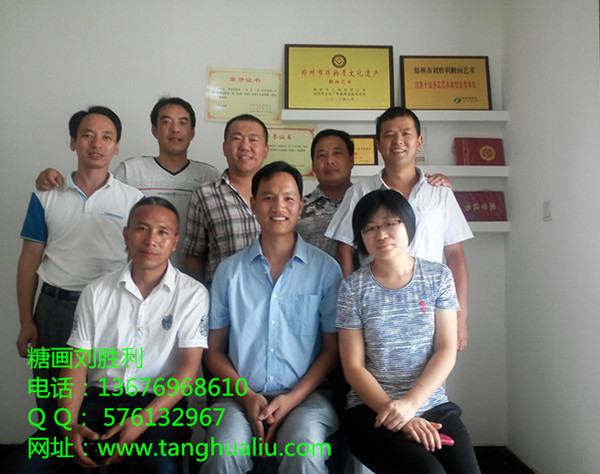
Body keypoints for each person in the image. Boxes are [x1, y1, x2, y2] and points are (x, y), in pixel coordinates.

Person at [203, 161, 342, 473]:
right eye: (268, 198)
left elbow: (332, 351)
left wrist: (291, 400)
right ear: (253, 204)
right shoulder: (229, 272)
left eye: (288, 198)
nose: (278, 207)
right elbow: (214, 351)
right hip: (238, 397)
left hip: (306, 397)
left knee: (305, 450)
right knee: (223, 450)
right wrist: (247, 397)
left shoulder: (326, 270)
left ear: (301, 206)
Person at [54, 197, 209, 473]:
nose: (151, 240)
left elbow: (187, 373)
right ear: (126, 234)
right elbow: (75, 366)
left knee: (159, 467)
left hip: (158, 408)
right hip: (97, 401)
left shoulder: (192, 294)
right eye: (141, 229)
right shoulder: (96, 292)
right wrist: (69, 425)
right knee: (26, 466)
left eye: (162, 232)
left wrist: (141, 421)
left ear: (175, 242)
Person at [337, 189, 480, 474]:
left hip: (431, 404)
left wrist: (410, 405)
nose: (381, 234)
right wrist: (398, 413)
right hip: (371, 409)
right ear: (361, 237)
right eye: (370, 228)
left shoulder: (439, 277)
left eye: (390, 223)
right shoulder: (352, 288)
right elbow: (353, 367)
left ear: (408, 225)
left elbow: (445, 349)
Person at [16, 106, 143, 421]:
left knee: (106, 401)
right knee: (51, 401)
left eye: (106, 137)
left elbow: (140, 262)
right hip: (55, 309)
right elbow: (29, 261)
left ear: (116, 147)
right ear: (73, 142)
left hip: (110, 308)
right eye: (87, 135)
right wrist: (26, 321)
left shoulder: (133, 200)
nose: (97, 143)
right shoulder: (45, 196)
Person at [326, 106, 473, 350]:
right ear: (378, 144)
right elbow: (344, 250)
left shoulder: (440, 193)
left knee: (435, 369)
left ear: (419, 141)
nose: (398, 141)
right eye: (389, 135)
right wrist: (352, 305)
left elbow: (455, 255)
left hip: (432, 309)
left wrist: (460, 315)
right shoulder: (361, 191)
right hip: (375, 309)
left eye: (406, 133)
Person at [34, 97, 219, 270]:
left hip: (192, 277)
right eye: (166, 122)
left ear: (192, 132)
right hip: (137, 277)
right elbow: (95, 194)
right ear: (154, 130)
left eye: (183, 123)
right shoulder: (130, 171)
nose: (175, 129)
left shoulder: (208, 175)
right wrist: (51, 178)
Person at [183, 114, 269, 284]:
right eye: (237, 138)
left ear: (265, 150)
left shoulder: (279, 196)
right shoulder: (204, 195)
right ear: (224, 147)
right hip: (223, 296)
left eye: (253, 140)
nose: (245, 146)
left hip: (272, 296)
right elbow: (194, 256)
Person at [296, 129, 355, 257]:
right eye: (322, 155)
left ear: (351, 160)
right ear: (313, 165)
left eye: (337, 153)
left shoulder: (367, 203)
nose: (329, 161)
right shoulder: (297, 208)